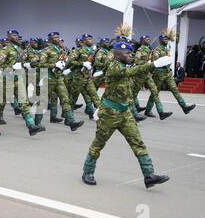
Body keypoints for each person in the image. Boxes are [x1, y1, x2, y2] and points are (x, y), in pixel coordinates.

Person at [82, 42, 171, 189]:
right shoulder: (114, 66)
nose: (131, 55)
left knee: (138, 143)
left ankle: (149, 176)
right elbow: (133, 71)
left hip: (125, 113)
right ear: (117, 55)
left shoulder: (122, 66)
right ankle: (87, 171)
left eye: (131, 53)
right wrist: (154, 64)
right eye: (127, 53)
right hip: (110, 114)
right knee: (98, 144)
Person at [145, 34, 196, 115]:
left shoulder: (167, 49)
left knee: (174, 89)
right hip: (159, 73)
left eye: (167, 39)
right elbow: (156, 63)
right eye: (164, 39)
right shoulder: (157, 50)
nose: (166, 40)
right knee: (155, 93)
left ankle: (184, 107)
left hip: (168, 73)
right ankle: (148, 110)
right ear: (160, 40)